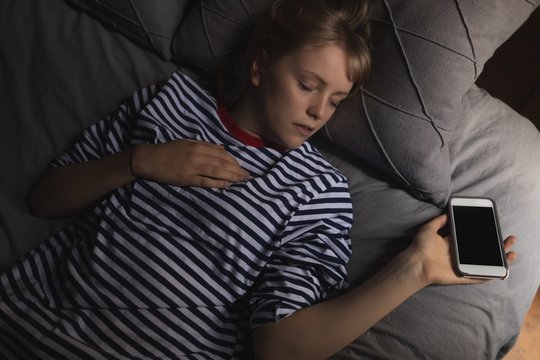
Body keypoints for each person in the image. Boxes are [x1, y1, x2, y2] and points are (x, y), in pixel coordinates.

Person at [0, 0, 517, 359]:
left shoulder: (316, 189)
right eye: (307, 85)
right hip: (25, 324)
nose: (318, 111)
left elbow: (280, 348)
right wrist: (138, 162)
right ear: (259, 67)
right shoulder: (169, 103)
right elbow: (46, 199)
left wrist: (414, 270)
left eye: (335, 100)